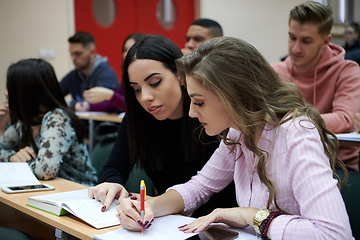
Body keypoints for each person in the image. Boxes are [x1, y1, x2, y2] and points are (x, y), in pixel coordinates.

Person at [116, 36, 352, 239]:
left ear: (233, 95)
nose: (191, 112)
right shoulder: (239, 131)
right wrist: (150, 206)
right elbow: (201, 186)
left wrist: (252, 216)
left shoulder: (296, 134)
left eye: (199, 102)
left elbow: (334, 234)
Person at [88, 35, 237, 217]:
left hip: (220, 223)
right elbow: (114, 167)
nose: (145, 97)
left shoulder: (212, 118)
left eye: (154, 83)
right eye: (136, 89)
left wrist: (157, 205)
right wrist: (112, 184)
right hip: (168, 220)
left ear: (180, 75)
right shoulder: (138, 118)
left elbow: (206, 189)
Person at [271, 1, 360, 171]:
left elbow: (344, 120)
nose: (295, 47)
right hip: (288, 165)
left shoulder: (347, 70)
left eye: (306, 41)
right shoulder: (276, 71)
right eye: (292, 37)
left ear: (326, 41)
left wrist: (286, 118)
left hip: (337, 167)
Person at [0, 59, 97, 186]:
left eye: (12, 86)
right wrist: (11, 157)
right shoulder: (26, 122)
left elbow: (45, 170)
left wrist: (18, 164)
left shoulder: (57, 118)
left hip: (79, 193)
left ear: (28, 91)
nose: (6, 92)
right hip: (51, 192)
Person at [75, 33, 147, 113]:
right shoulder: (127, 76)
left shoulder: (145, 75)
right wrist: (87, 106)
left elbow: (134, 106)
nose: (126, 54)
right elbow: (112, 104)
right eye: (124, 50)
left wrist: (109, 95)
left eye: (131, 49)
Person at [60, 31, 119, 109]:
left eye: (78, 54)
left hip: (102, 121)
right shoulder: (74, 75)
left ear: (92, 52)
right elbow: (54, 94)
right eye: (71, 54)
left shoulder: (106, 74)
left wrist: (72, 104)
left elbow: (97, 103)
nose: (73, 58)